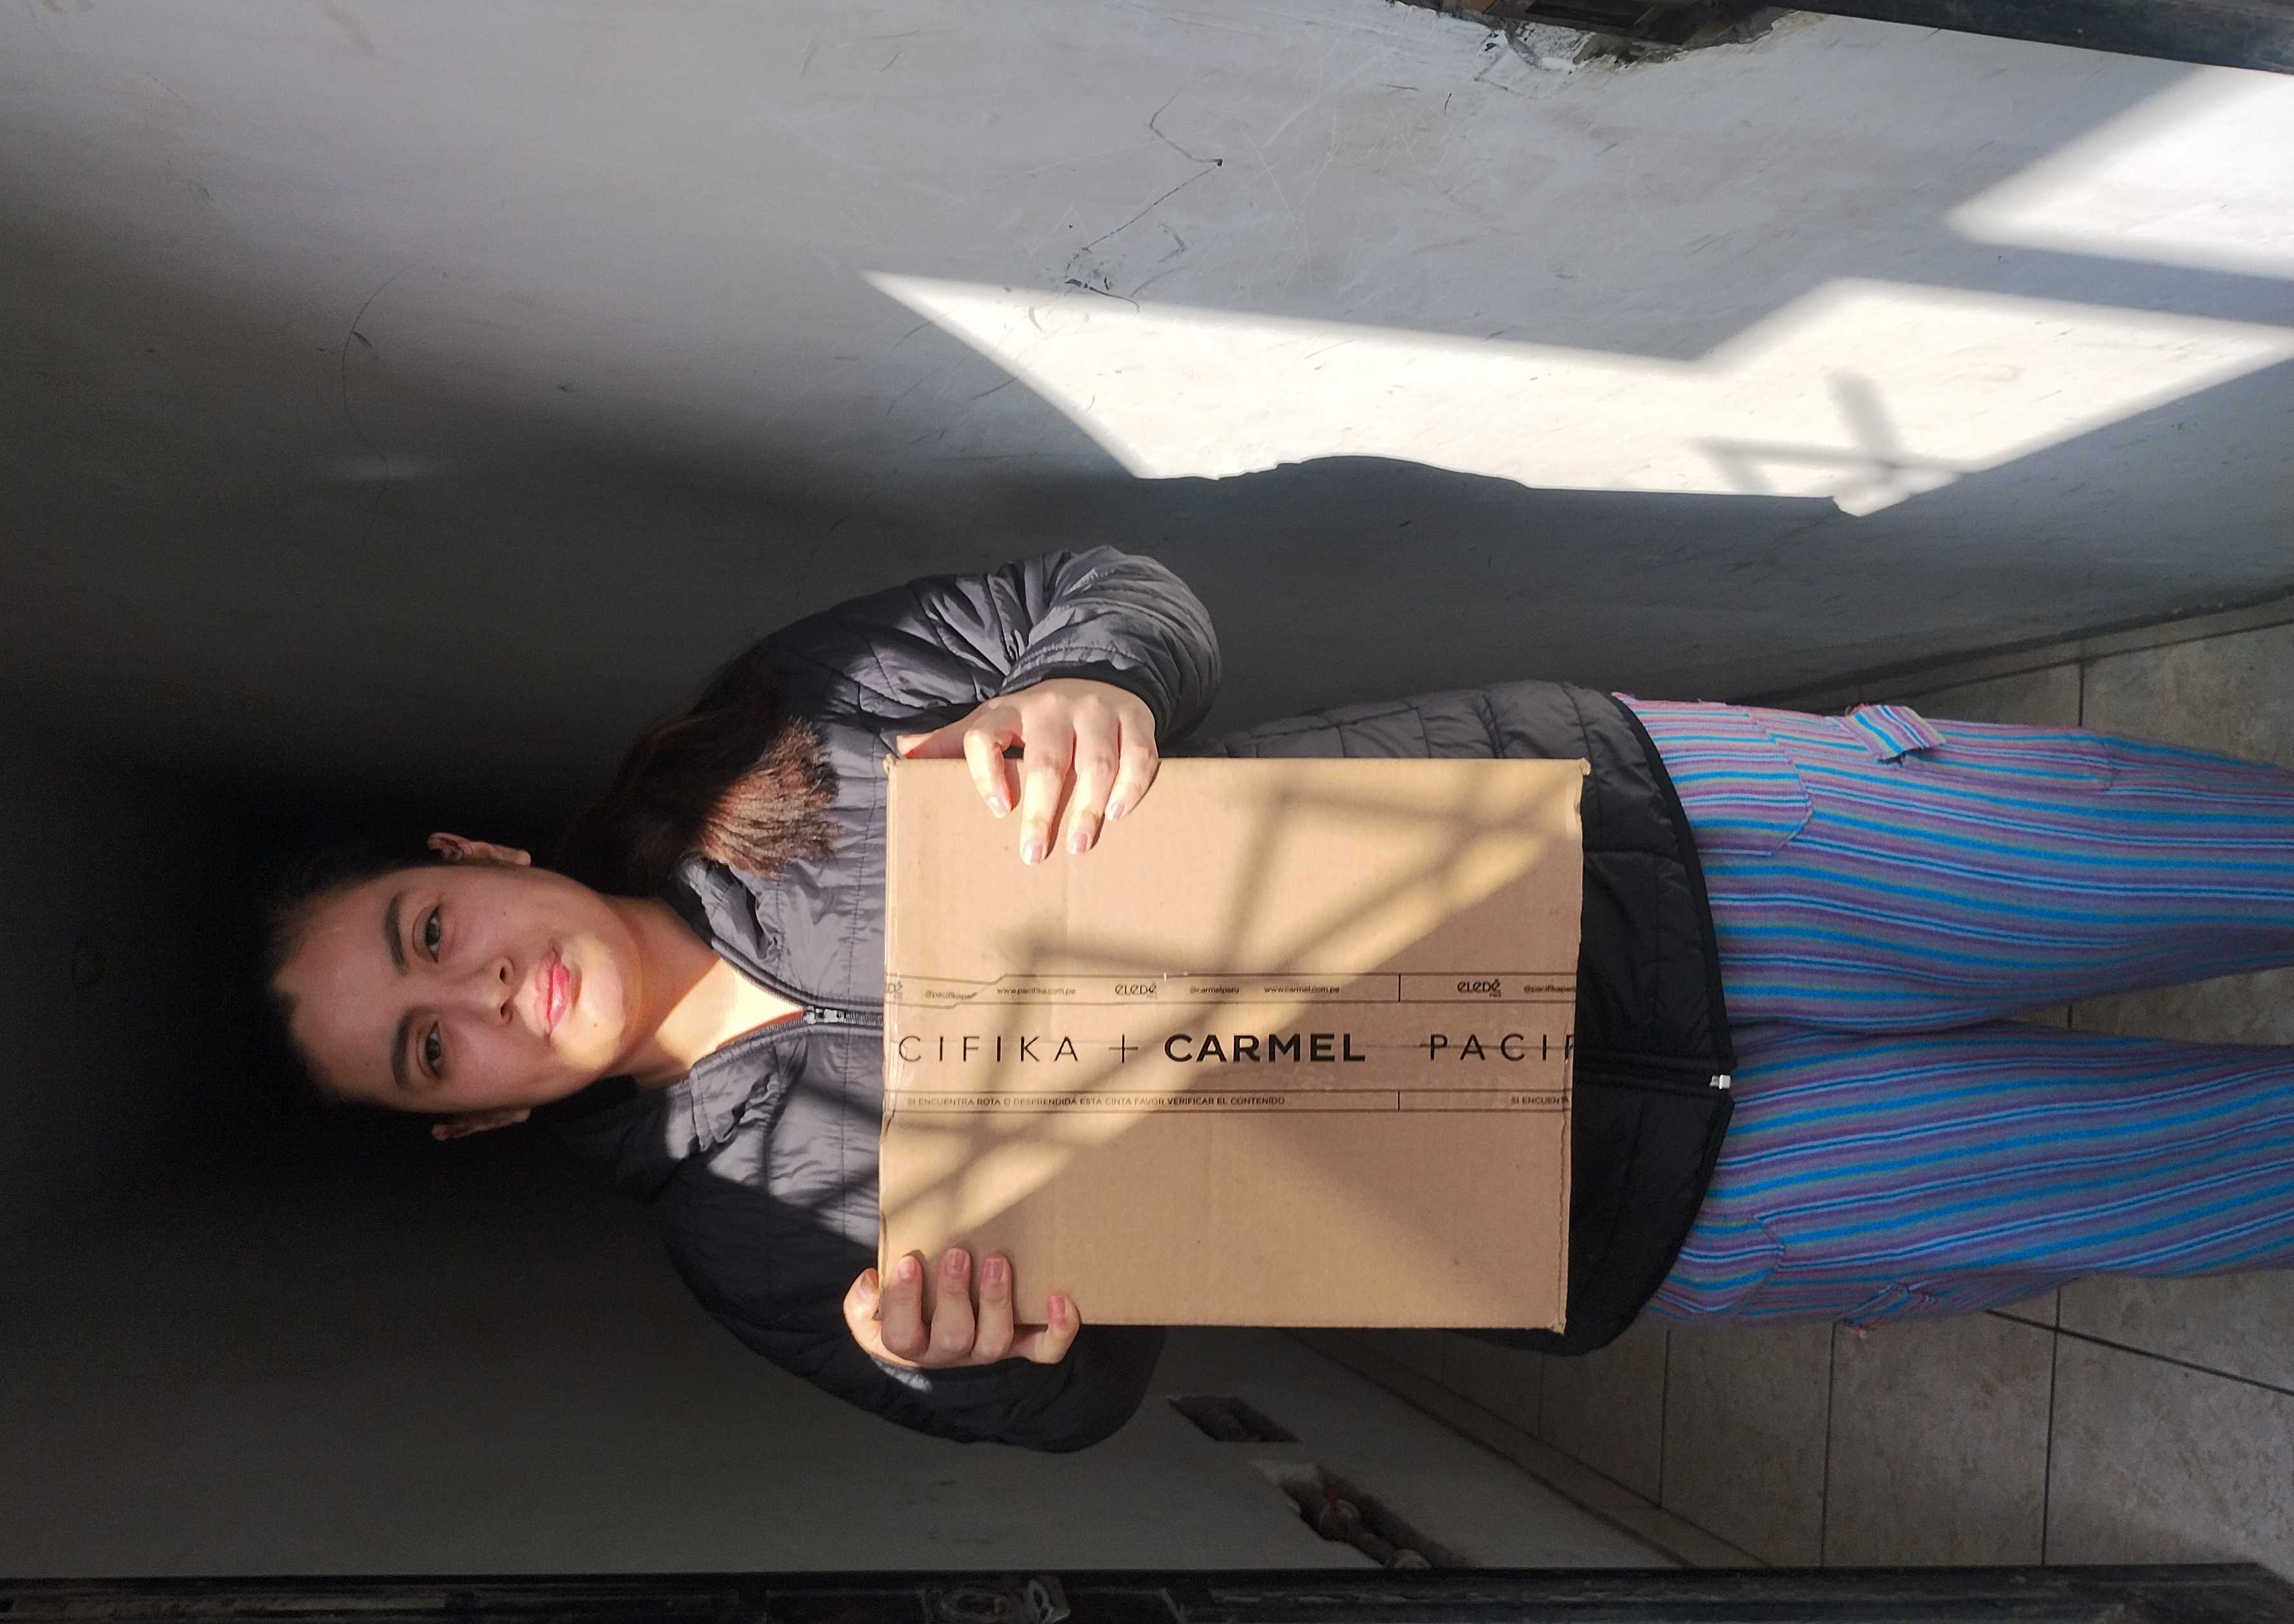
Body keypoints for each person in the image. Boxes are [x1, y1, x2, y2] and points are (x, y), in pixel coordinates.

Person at [250, 549, 2294, 1450]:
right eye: (433, 1049)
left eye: (427, 929)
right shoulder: (754, 1247)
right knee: (2236, 1174)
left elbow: (1114, 591)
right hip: (1654, 1202)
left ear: (475, 856)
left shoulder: (774, 726)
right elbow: (1075, 1406)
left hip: (1659, 846)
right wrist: (976, 1367)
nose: (482, 989)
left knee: (2223, 860)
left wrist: (1094, 682)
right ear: (474, 1115)